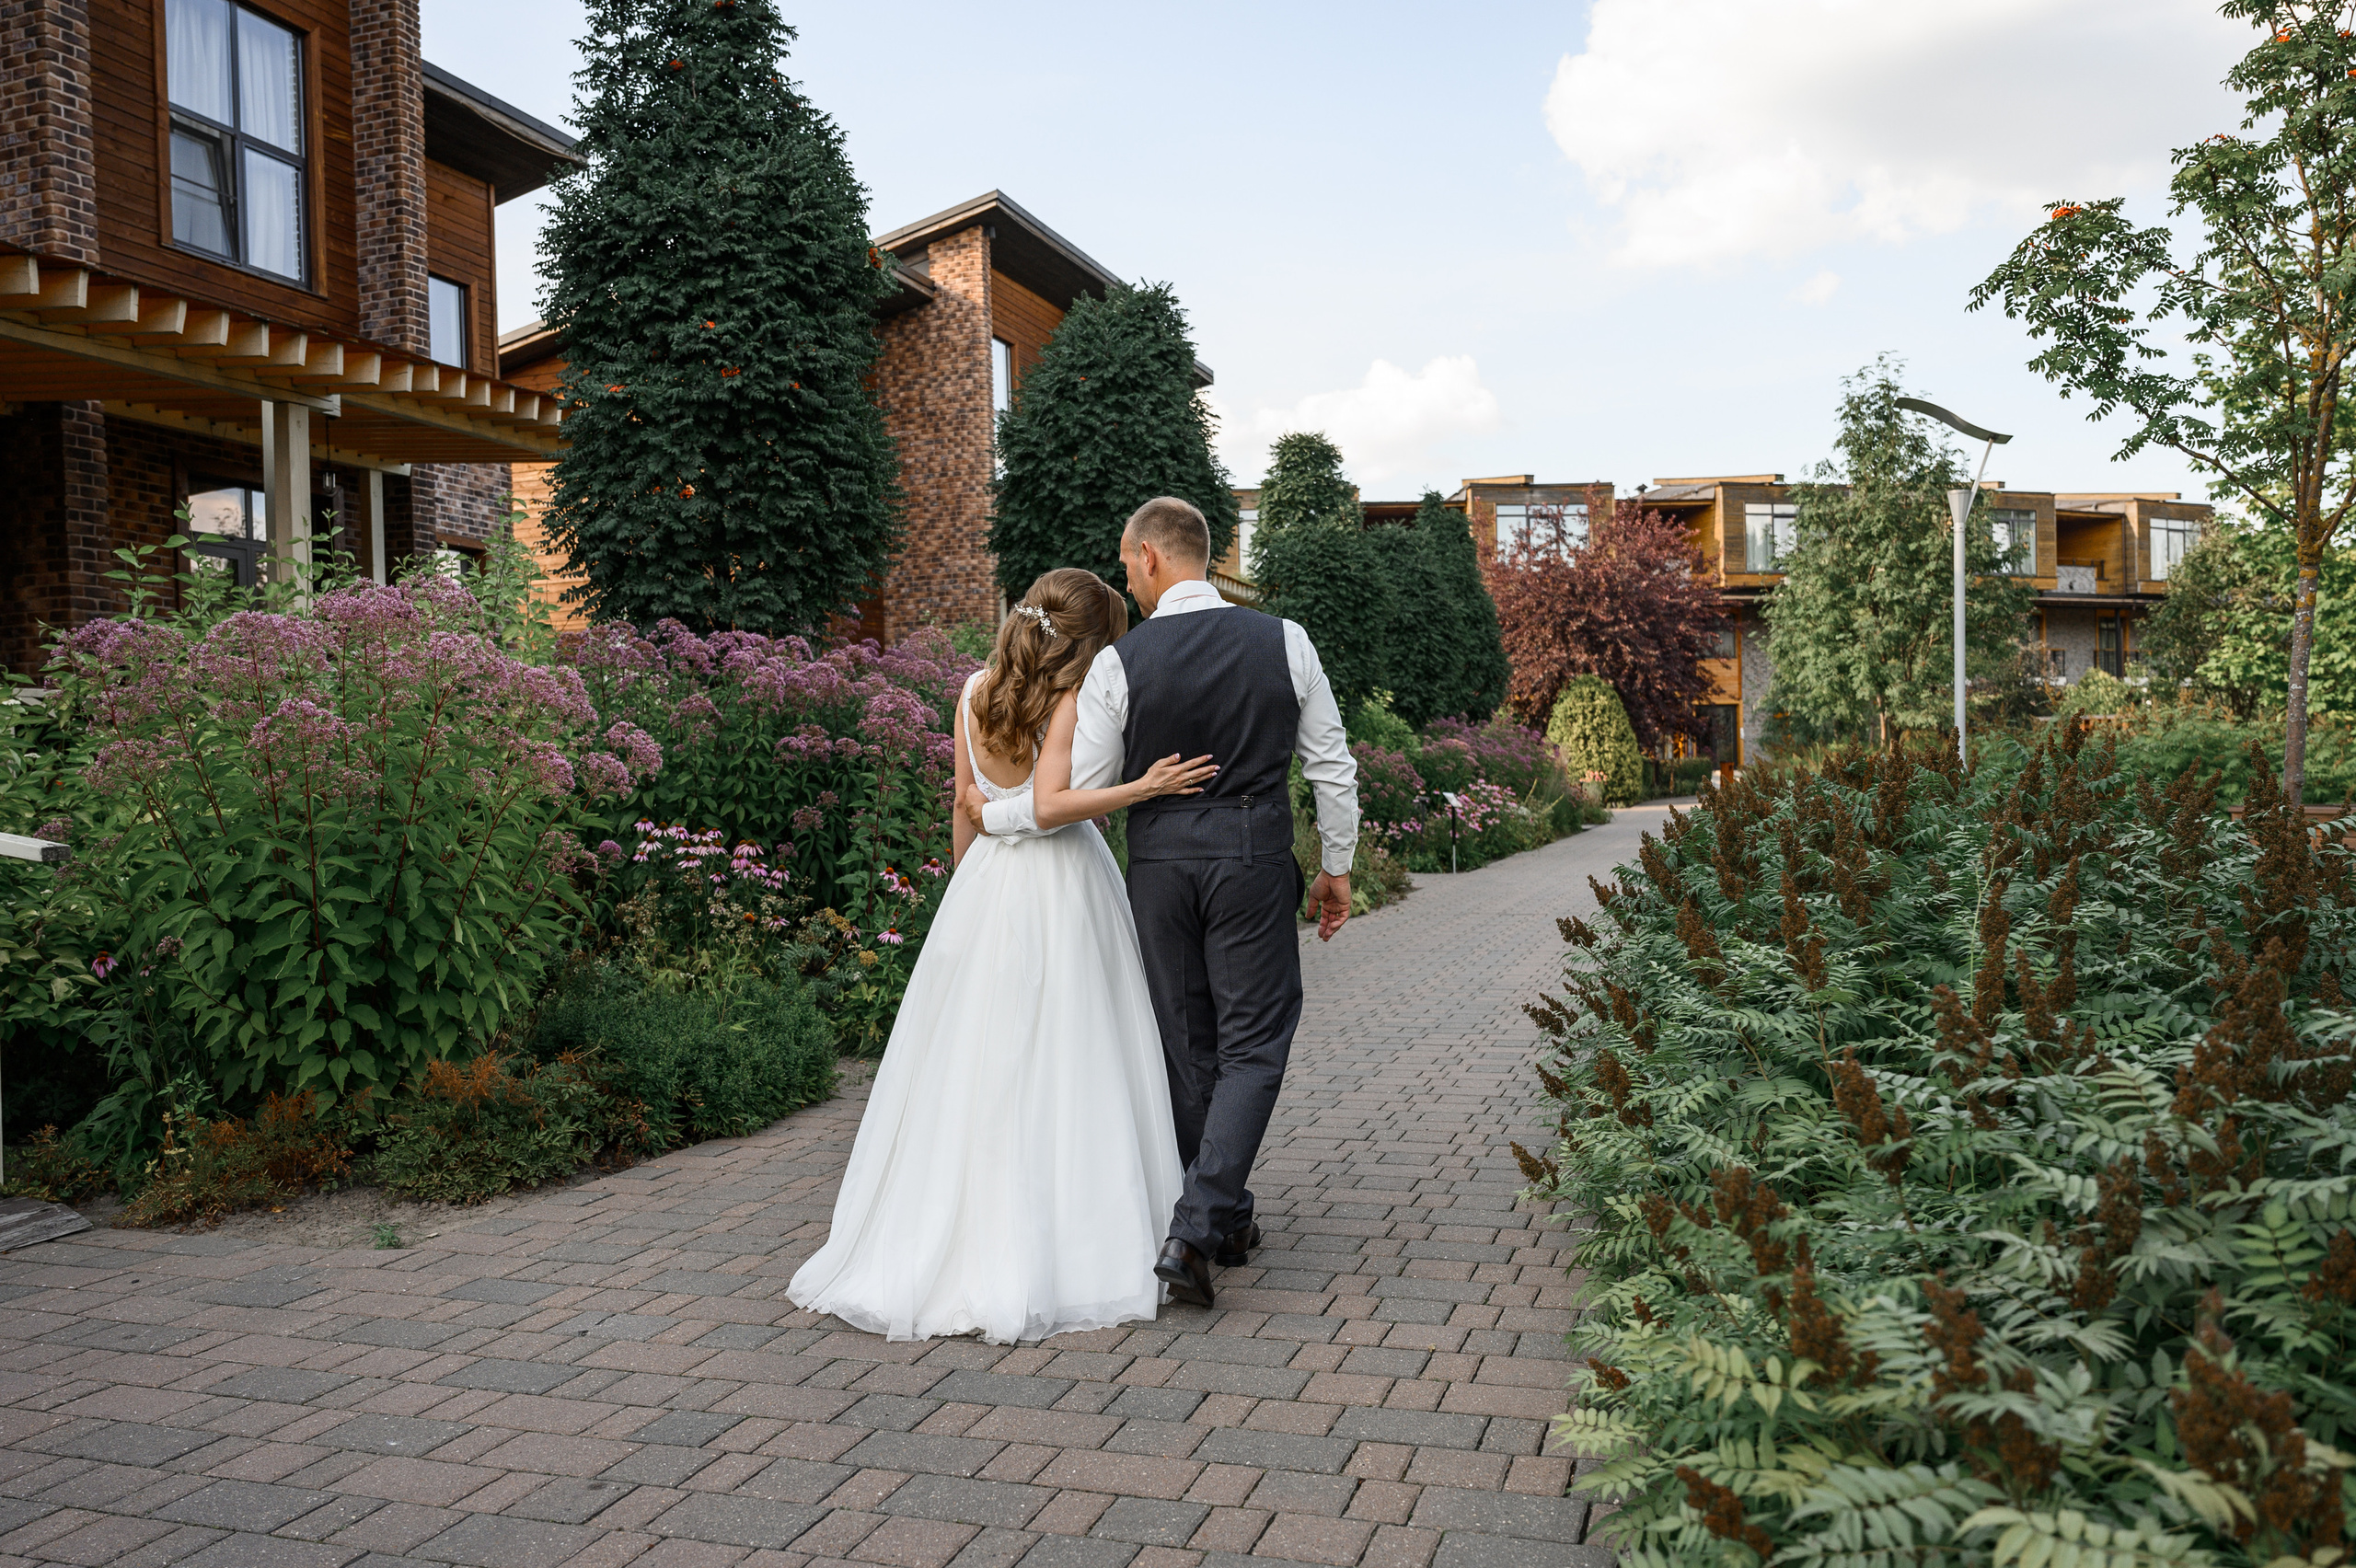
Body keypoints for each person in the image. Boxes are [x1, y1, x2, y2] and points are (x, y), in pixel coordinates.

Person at [785, 568, 1218, 1343]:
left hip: (988, 881)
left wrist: (964, 895)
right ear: (1086, 644)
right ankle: (1074, 1228)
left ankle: (958, 1220)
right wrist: (1142, 789)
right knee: (1077, 1046)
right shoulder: (1071, 702)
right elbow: (1055, 809)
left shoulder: (973, 690)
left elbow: (965, 803)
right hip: (1064, 883)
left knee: (976, 1055)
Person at [966, 497, 1358, 1309]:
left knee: (1188, 1046)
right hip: (1251, 858)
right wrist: (1337, 868)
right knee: (1254, 1043)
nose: (1127, 582)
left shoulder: (1120, 664)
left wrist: (989, 814)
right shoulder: (1284, 640)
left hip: (1160, 867)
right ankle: (1196, 1226)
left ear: (1149, 557)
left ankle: (1227, 1213)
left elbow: (1080, 791)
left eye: (1126, 563)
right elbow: (1331, 763)